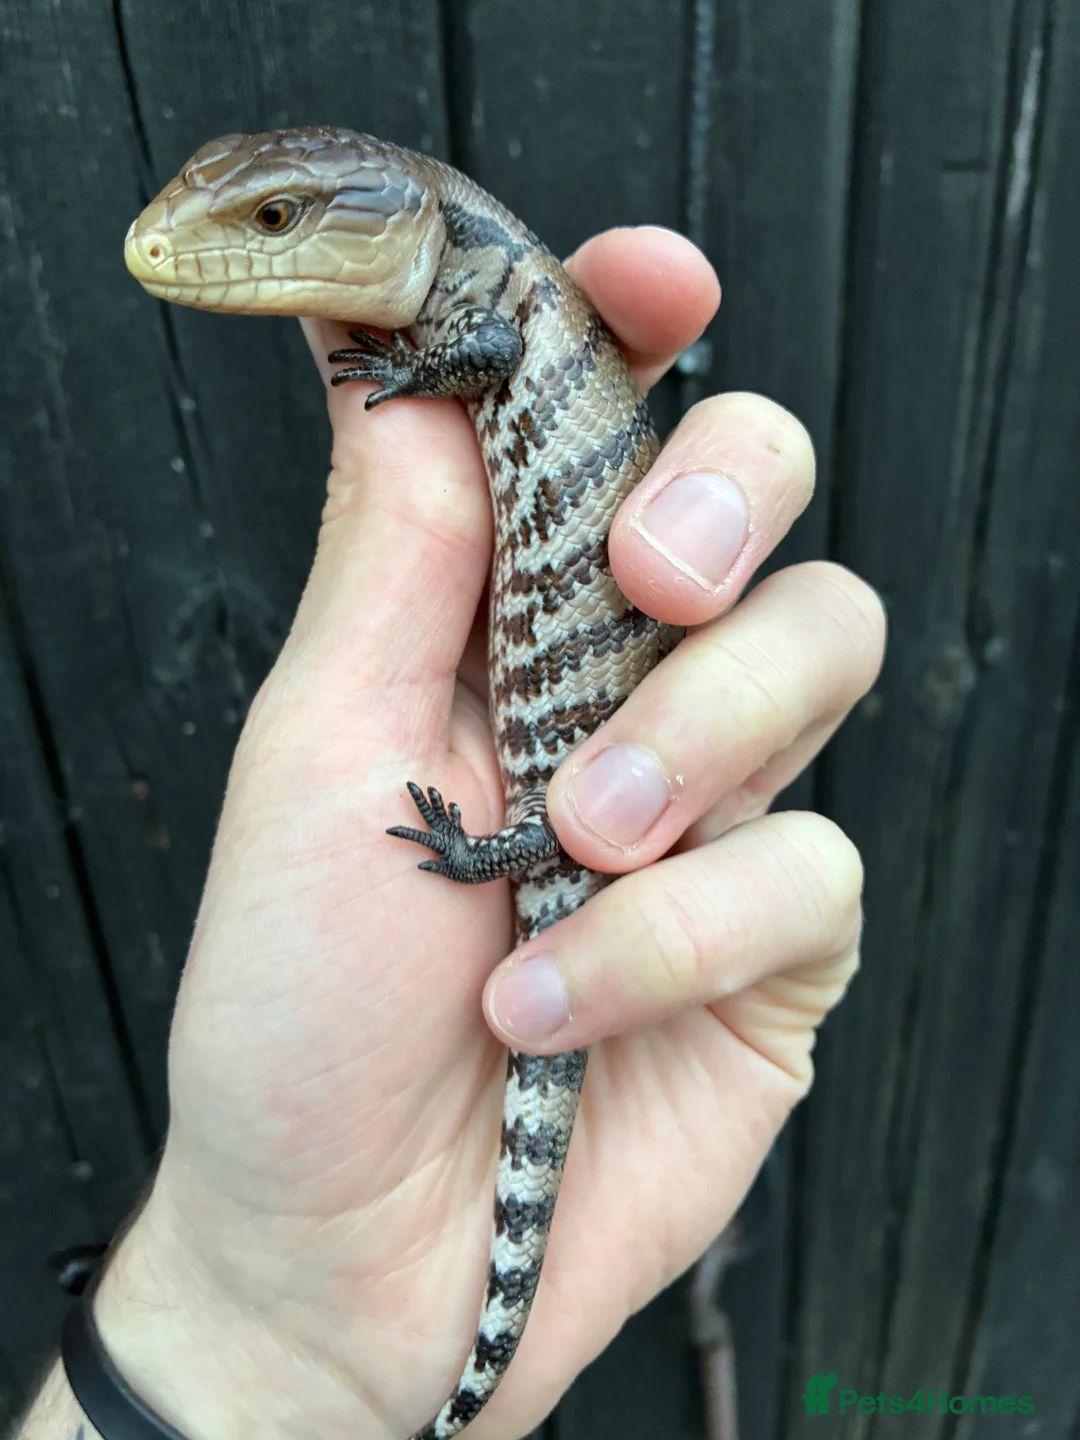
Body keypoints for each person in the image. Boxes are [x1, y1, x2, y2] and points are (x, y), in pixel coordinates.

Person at [21, 226, 884, 1440]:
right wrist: (249, 1318)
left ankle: (440, 1376)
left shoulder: (498, 301)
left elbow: (480, 352)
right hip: (542, 756)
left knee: (573, 831)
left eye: (280, 221)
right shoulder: (489, 297)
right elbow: (480, 351)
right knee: (571, 826)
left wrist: (485, 858)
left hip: (546, 807)